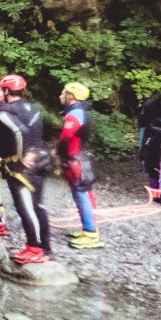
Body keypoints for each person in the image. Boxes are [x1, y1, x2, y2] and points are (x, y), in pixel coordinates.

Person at [0, 83, 51, 263]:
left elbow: (19, 131)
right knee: (37, 206)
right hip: (39, 160)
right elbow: (37, 131)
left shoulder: (1, 113)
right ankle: (45, 248)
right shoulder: (32, 108)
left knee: (25, 207)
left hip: (22, 168)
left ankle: (35, 248)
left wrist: (19, 156)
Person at [57, 82, 103, 249]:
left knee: (82, 195)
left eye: (64, 93)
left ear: (71, 96)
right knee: (82, 194)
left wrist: (60, 155)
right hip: (79, 157)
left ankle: (91, 234)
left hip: (76, 159)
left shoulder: (75, 114)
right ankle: (87, 229)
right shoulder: (81, 111)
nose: (61, 95)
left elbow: (65, 138)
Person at [139, 91, 161, 200]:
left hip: (153, 134)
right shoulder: (150, 105)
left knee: (154, 164)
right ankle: (156, 194)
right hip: (152, 136)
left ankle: (157, 193)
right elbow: (144, 126)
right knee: (152, 164)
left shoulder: (151, 104)